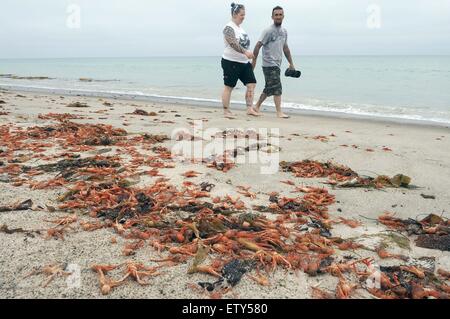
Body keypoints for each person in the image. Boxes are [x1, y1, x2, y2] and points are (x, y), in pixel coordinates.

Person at [252, 6, 295, 118]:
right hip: (269, 64)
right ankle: (279, 112)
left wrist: (291, 63)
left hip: (277, 64)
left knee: (269, 88)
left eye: (280, 15)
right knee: (277, 88)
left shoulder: (284, 32)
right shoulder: (268, 31)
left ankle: (256, 106)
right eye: (276, 15)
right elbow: (258, 46)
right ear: (272, 17)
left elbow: (285, 48)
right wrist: (254, 61)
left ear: (283, 16)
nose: (278, 17)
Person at [221, 3, 259, 118]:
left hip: (243, 62)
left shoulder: (241, 29)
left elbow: (244, 45)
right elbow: (232, 42)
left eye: (244, 15)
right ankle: (226, 111)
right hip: (230, 61)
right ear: (234, 14)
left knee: (251, 83)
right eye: (242, 15)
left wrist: (250, 56)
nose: (244, 17)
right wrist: (245, 52)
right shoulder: (228, 27)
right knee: (229, 86)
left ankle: (249, 109)